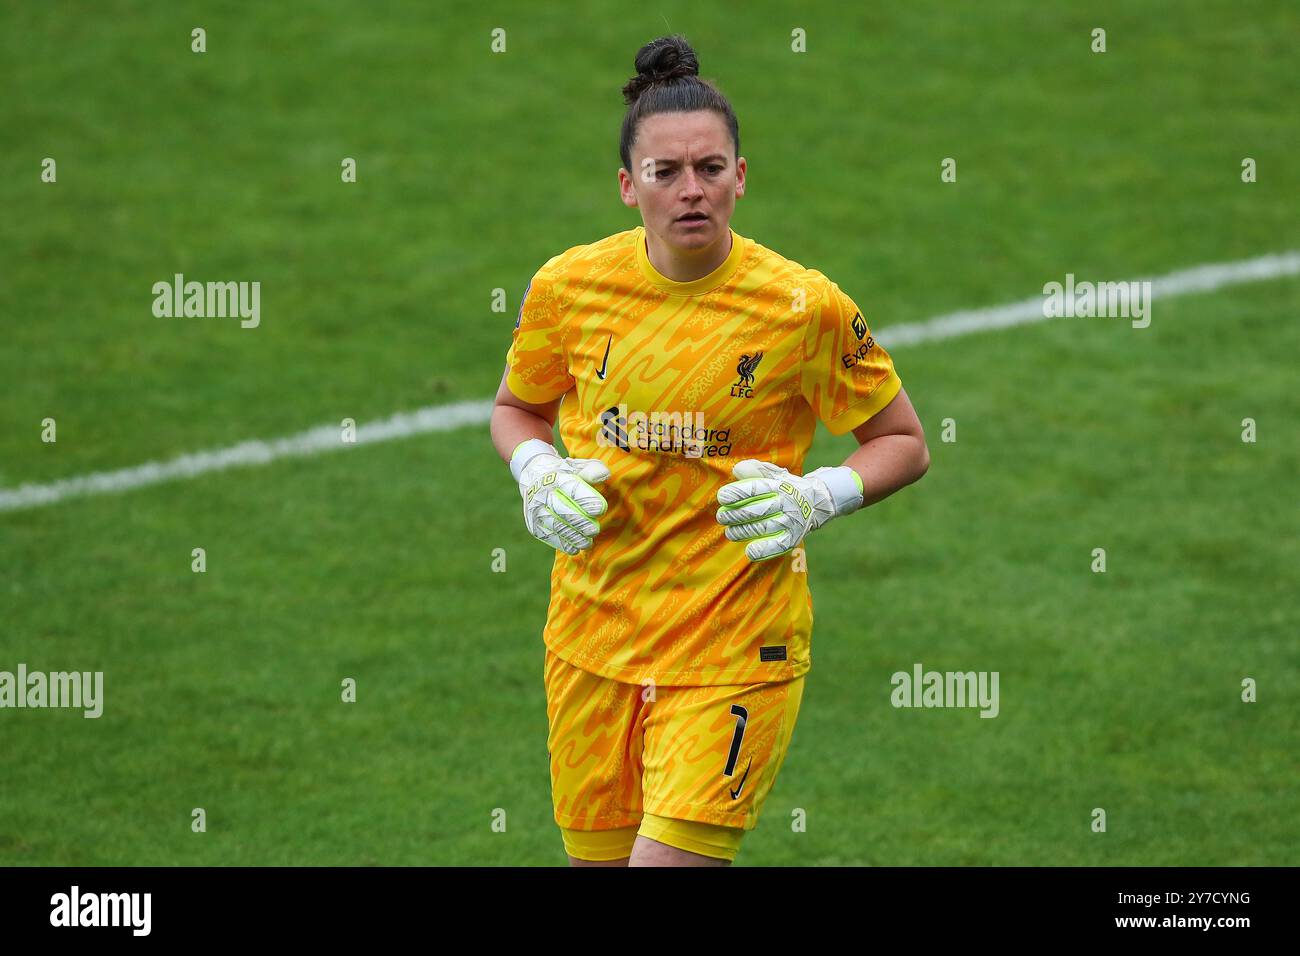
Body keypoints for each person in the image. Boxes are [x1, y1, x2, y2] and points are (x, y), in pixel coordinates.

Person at [489, 34, 929, 867]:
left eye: (711, 168)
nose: (691, 190)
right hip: (591, 641)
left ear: (741, 176)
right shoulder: (568, 289)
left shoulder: (802, 307)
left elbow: (902, 441)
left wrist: (818, 495)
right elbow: (517, 409)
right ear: (628, 187)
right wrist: (535, 468)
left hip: (734, 644)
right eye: (665, 173)